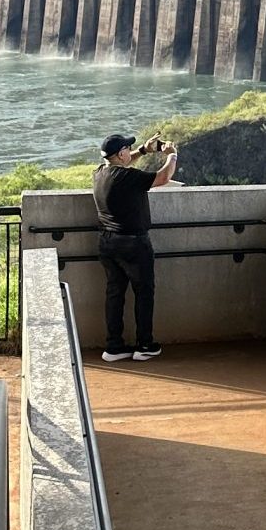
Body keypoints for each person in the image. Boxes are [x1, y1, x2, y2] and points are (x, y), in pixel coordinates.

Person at [92, 132, 177, 362]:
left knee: (115, 293)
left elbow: (124, 163)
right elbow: (162, 178)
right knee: (144, 293)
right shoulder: (127, 177)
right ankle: (145, 345)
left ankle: (114, 346)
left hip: (108, 243)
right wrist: (172, 155)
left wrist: (144, 150)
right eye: (127, 149)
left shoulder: (100, 174)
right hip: (133, 244)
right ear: (120, 154)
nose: (130, 151)